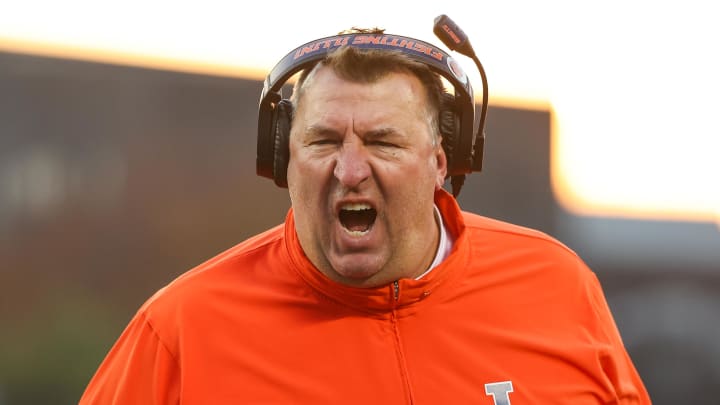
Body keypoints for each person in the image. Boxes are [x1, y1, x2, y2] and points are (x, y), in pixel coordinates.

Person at [80, 25, 651, 404]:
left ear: (440, 163)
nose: (349, 170)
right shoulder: (180, 330)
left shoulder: (557, 286)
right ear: (284, 161)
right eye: (324, 141)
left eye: (383, 142)